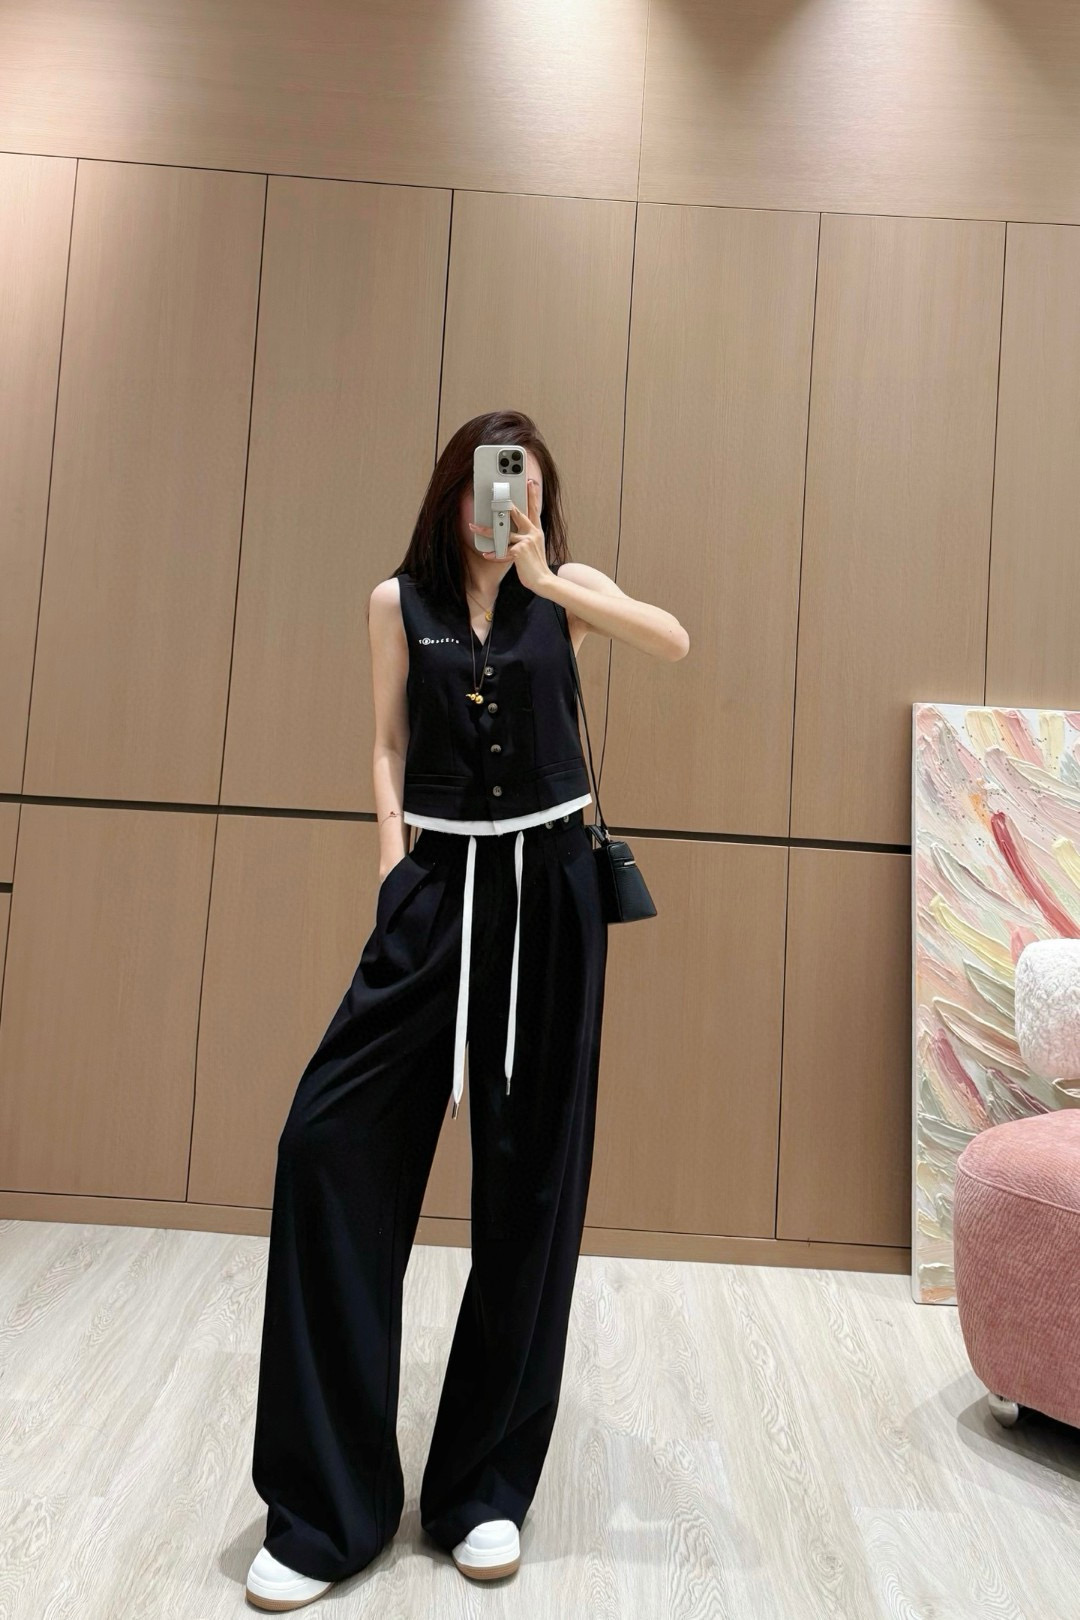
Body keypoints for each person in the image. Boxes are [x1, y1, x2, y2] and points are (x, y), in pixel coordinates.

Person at [244, 410, 688, 1611]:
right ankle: (327, 1505)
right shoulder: (397, 602)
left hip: (552, 894)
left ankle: (482, 1489)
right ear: (453, 492)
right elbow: (387, 746)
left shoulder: (567, 592)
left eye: (526, 487)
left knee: (533, 1185)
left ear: (542, 500)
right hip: (436, 892)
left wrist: (552, 580)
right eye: (492, 485)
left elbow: (673, 641)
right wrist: (393, 877)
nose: (507, 506)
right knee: (326, 1146)